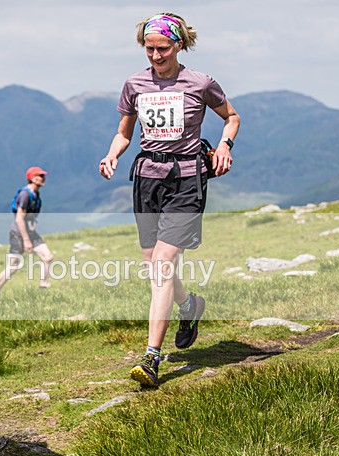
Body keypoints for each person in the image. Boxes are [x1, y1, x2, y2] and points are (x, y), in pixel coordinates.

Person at [99, 13, 240, 387]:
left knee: (162, 263)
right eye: (150, 48)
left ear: (179, 44)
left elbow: (232, 117)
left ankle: (151, 357)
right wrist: (113, 154)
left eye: (162, 48)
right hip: (147, 178)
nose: (156, 55)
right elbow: (124, 133)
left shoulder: (200, 83)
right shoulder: (134, 84)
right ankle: (189, 306)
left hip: (187, 179)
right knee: (153, 265)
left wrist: (225, 145)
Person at [0, 166, 54, 301]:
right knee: (14, 265)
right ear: (33, 178)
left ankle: (43, 288)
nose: (44, 178)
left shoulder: (35, 194)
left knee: (48, 257)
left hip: (30, 232)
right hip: (18, 233)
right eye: (40, 175)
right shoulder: (25, 195)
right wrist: (26, 240)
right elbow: (19, 218)